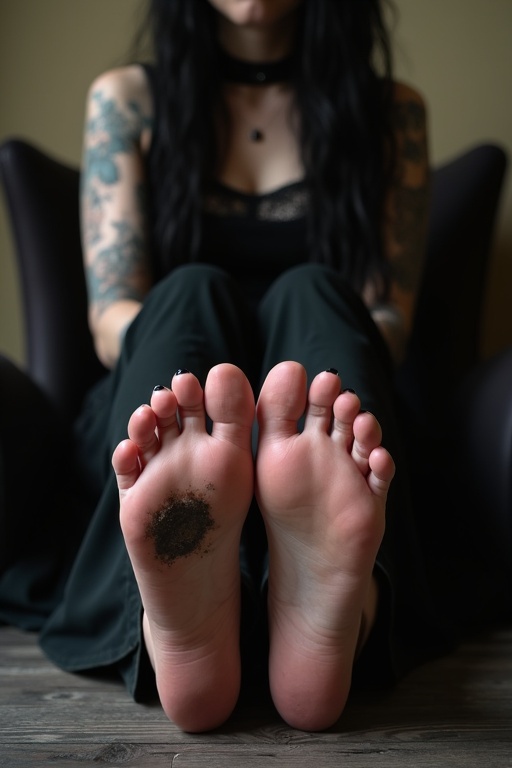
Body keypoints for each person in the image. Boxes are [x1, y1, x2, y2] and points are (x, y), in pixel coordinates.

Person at [0, 0, 447, 733]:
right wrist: (213, 406)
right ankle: (178, 612)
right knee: (189, 290)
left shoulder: (387, 112)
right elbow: (111, 317)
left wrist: (282, 404)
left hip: (319, 407)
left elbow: (387, 318)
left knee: (315, 294)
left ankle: (333, 599)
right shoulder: (127, 101)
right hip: (172, 399)